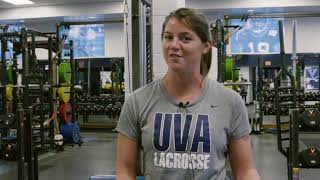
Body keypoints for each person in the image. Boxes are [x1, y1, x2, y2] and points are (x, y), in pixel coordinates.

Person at [116, 8, 260, 180]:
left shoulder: (230, 102)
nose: (174, 45)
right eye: (168, 37)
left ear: (206, 46)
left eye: (185, 38)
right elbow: (125, 169)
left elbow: (246, 170)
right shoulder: (137, 102)